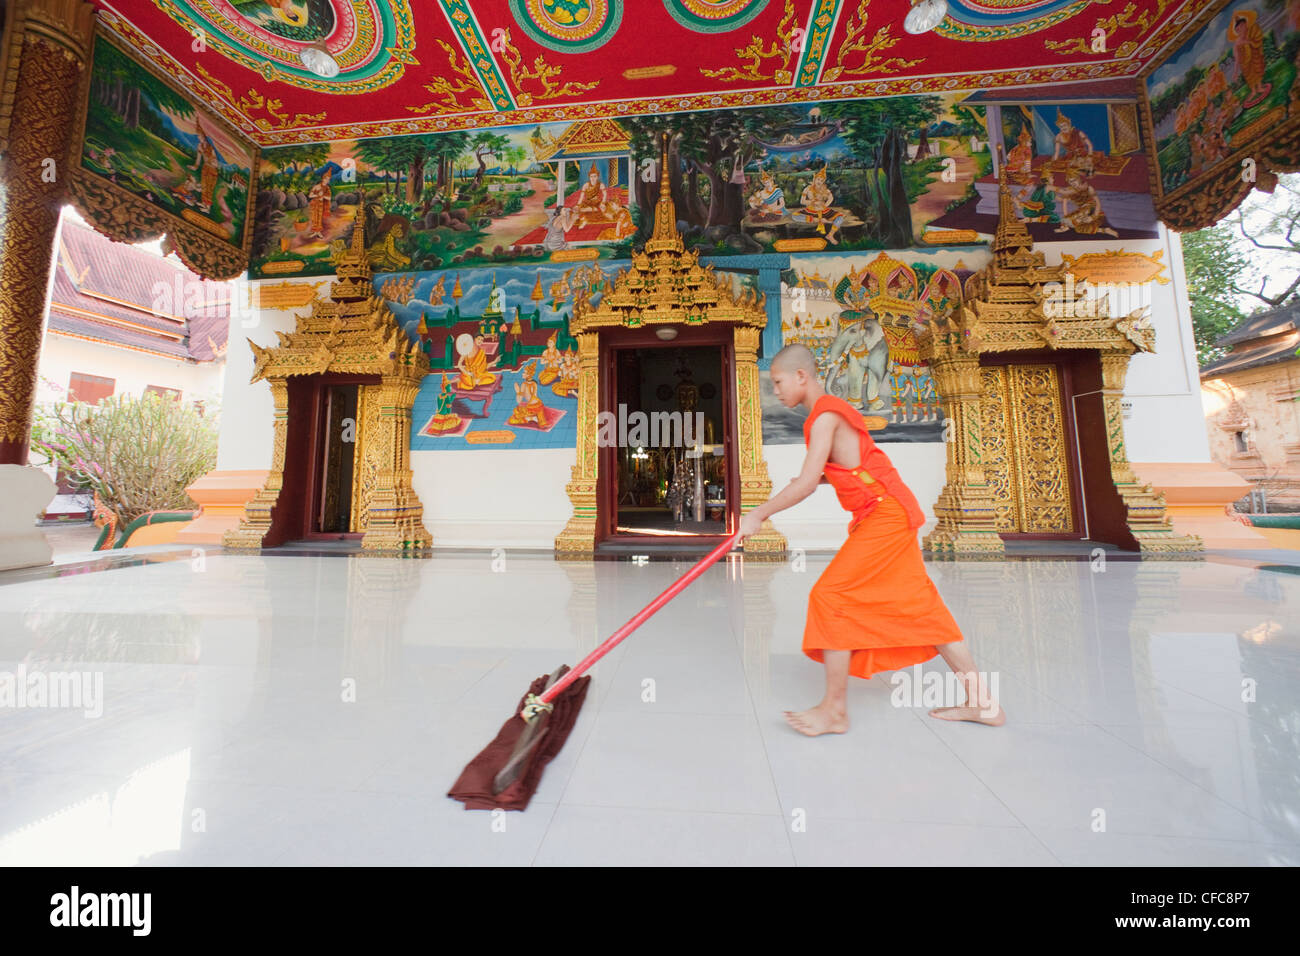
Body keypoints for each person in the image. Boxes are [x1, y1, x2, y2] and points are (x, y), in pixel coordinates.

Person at [737, 344, 1004, 735]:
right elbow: (837, 472)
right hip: (884, 512)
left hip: (886, 515)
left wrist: (759, 513)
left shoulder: (825, 415)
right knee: (923, 607)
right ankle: (983, 704)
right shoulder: (825, 415)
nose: (775, 390)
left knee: (831, 596)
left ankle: (834, 710)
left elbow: (810, 483)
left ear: (801, 376)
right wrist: (805, 484)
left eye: (777, 381)